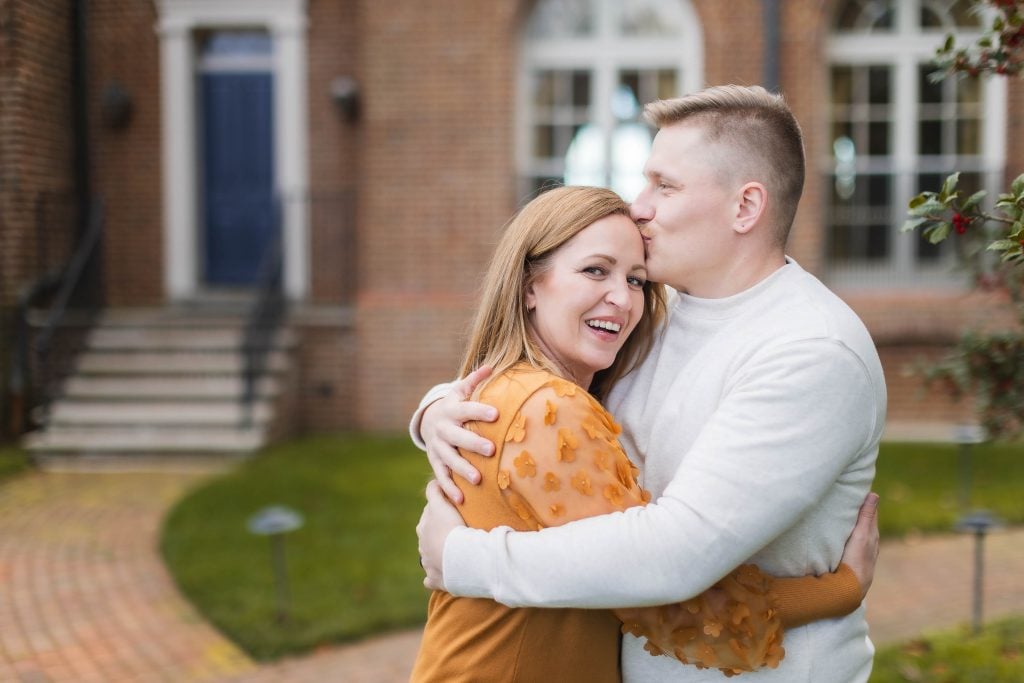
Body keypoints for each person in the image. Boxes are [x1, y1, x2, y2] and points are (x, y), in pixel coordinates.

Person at [414, 85, 887, 682]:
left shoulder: (810, 351)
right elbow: (535, 403)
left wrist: (465, 559)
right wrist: (436, 410)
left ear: (745, 207)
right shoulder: (655, 320)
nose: (639, 206)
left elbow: (675, 555)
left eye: (665, 185)